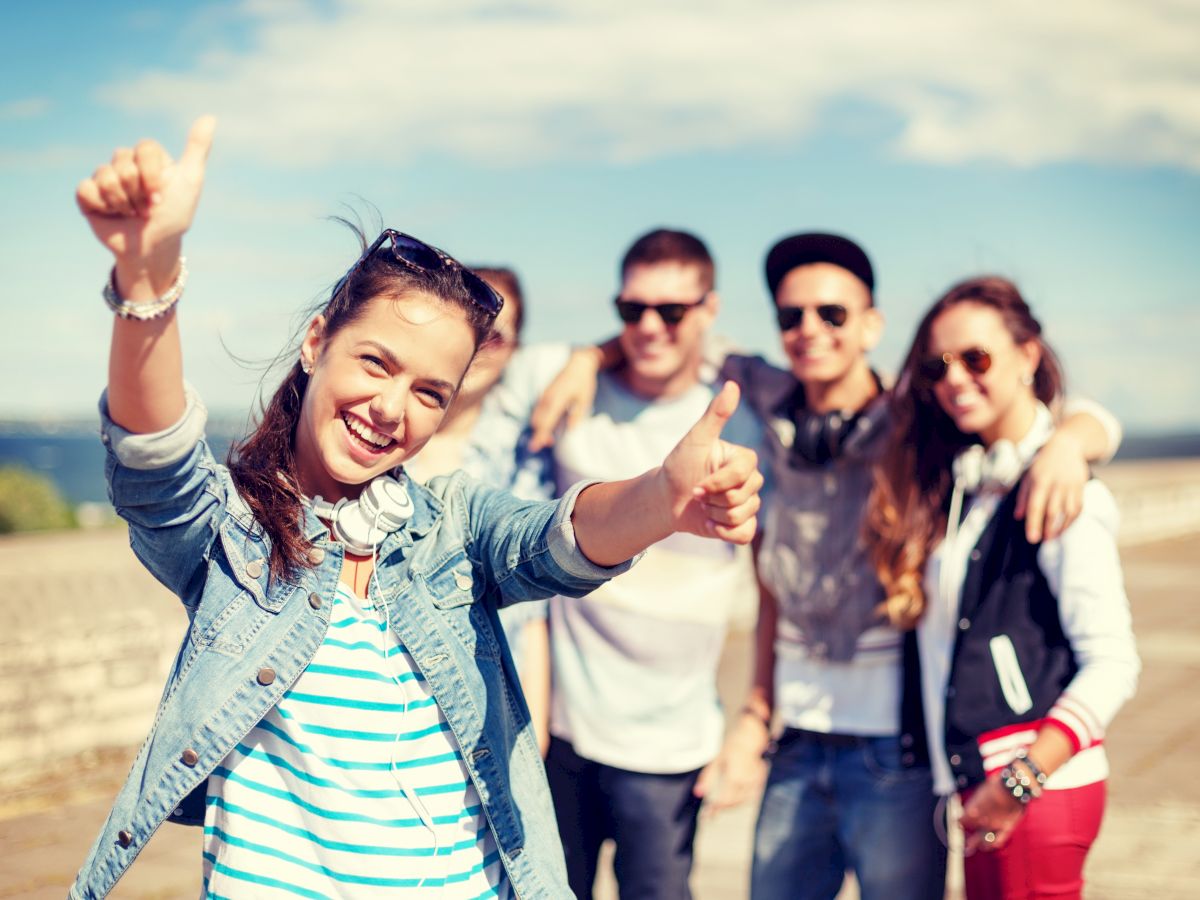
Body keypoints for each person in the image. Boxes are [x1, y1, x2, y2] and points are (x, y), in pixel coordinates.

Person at [69, 119, 762, 899]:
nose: (392, 407)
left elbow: (557, 540)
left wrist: (660, 498)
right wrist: (147, 280)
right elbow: (154, 454)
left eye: (430, 391)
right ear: (316, 341)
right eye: (375, 362)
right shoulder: (233, 533)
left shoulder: (453, 527)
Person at [531, 233, 1121, 900]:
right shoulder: (759, 395)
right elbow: (668, 333)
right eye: (791, 315)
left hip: (896, 757)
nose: (809, 330)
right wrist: (589, 357)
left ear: (872, 324)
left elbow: (1023, 414)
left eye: (832, 314)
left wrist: (1075, 439)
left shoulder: (918, 419)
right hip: (795, 744)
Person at [864, 275, 1140, 899]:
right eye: (938, 366)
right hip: (985, 786)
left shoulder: (1065, 492)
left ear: (1028, 356)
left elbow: (1115, 662)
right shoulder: (970, 484)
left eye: (976, 358)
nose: (955, 378)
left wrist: (1020, 781)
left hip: (1033, 788)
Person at [540, 229, 764, 900]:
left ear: (710, 308)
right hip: (561, 734)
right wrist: (588, 356)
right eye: (631, 309)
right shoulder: (571, 397)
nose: (649, 327)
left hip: (671, 749)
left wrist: (753, 722)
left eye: (671, 311)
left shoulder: (748, 410)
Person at [404, 266, 554, 754]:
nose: (476, 342)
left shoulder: (522, 452)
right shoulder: (381, 430)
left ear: (515, 351)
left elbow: (532, 608)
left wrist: (535, 722)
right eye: (465, 323)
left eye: (495, 335)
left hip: (484, 703)